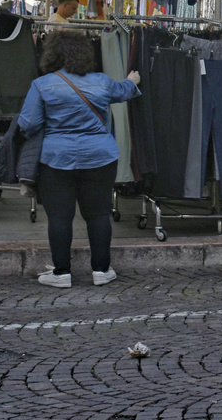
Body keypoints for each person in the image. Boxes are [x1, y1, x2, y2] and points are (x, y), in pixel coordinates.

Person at [17, 30, 141, 288]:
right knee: (98, 215)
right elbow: (123, 92)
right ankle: (101, 270)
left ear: (51, 54)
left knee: (59, 217)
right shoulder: (102, 81)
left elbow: (28, 124)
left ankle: (61, 273)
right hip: (100, 156)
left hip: (56, 158)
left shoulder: (42, 84)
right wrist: (132, 80)